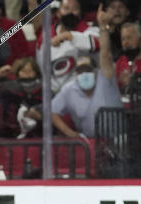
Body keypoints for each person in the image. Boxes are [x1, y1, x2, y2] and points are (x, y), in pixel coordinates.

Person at [50, 5, 120, 139]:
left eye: (87, 70)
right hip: (90, 144)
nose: (84, 74)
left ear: (95, 71)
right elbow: (52, 111)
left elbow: (105, 54)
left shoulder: (106, 80)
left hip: (116, 140)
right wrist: (71, 134)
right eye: (80, 71)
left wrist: (103, 28)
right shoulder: (69, 89)